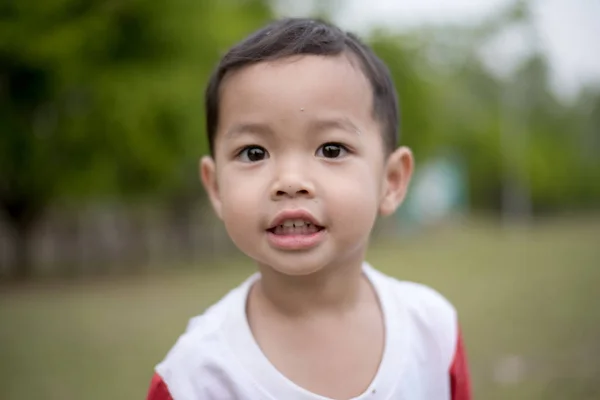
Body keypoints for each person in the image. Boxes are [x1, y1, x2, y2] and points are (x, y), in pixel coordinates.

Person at [146, 17, 471, 400]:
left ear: (392, 180)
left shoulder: (434, 332)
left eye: (331, 149)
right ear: (216, 186)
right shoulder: (194, 378)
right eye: (254, 152)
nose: (290, 180)